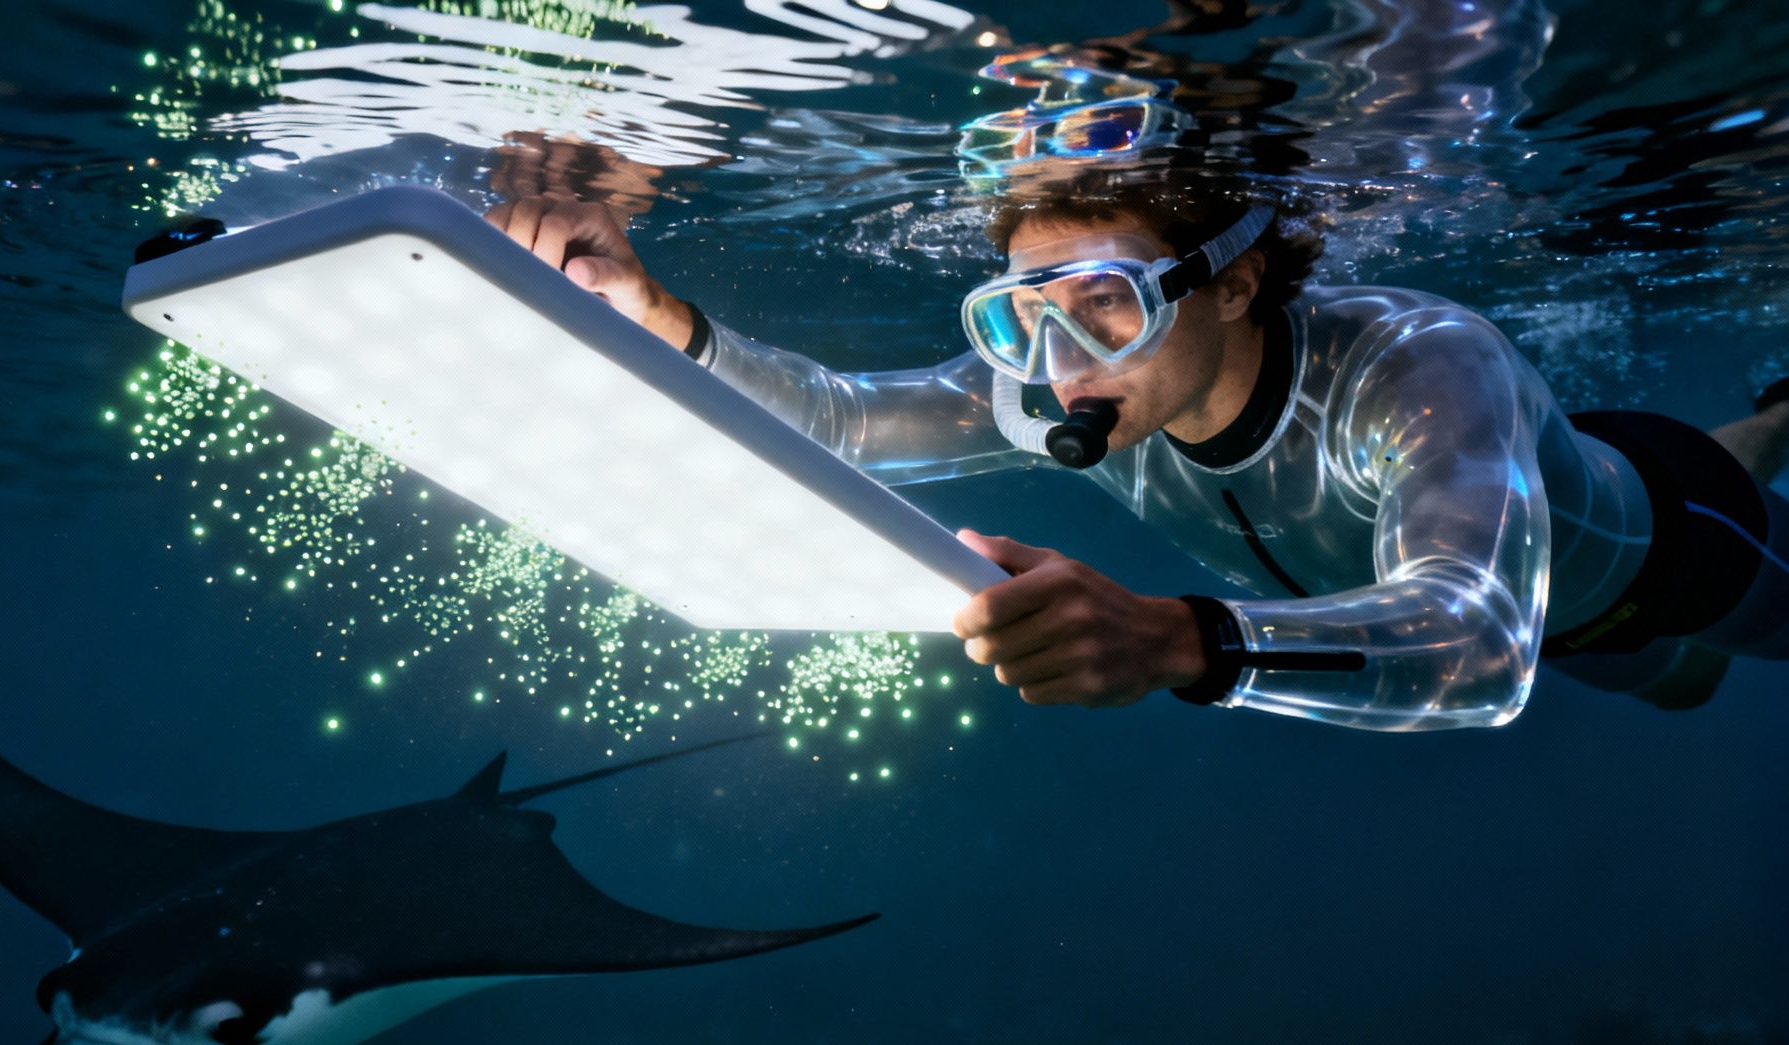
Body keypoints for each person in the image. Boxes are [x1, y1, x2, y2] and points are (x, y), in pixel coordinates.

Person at [481, 169, 1789, 733]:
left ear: (1238, 277)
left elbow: (1475, 640)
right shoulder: (1062, 382)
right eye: (1019, 313)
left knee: (1724, 633)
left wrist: (1177, 641)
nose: (1059, 364)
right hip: (1577, 619)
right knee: (1669, 690)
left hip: (1663, 545)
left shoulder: (1420, 361)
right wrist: (655, 323)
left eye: (1108, 295)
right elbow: (843, 418)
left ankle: (1769, 428)